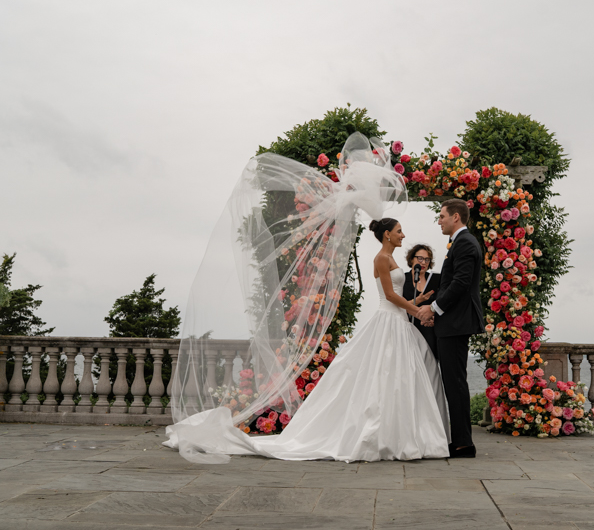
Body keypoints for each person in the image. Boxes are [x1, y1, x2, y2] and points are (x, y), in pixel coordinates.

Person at [165, 133, 450, 463]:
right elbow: (389, 294)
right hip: (391, 319)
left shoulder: (393, 259)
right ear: (388, 234)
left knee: (395, 378)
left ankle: (398, 431)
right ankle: (383, 434)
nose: (403, 235)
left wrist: (423, 298)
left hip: (399, 321)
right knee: (384, 375)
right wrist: (417, 307)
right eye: (399, 231)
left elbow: (396, 291)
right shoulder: (382, 260)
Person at [418, 198, 485, 459]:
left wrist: (433, 308)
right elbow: (451, 283)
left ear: (456, 217)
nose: (439, 220)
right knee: (452, 382)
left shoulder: (466, 243)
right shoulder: (459, 243)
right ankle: (459, 440)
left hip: (456, 325)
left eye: (442, 216)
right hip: (452, 322)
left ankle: (463, 444)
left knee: (455, 383)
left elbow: (460, 283)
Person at [402, 244, 440, 359]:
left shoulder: (434, 280)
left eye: (427, 259)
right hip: (408, 329)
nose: (423, 262)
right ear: (412, 259)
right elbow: (399, 306)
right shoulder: (403, 280)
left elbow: (439, 303)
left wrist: (434, 318)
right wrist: (419, 300)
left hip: (430, 330)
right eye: (420, 258)